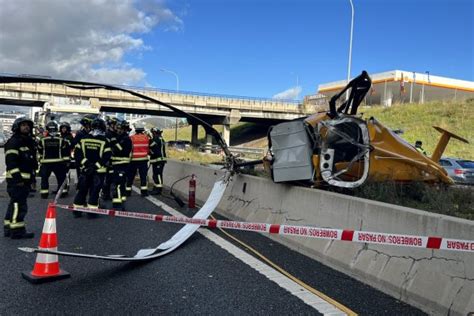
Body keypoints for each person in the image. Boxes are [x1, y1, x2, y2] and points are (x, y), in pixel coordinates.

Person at [4, 116, 37, 239]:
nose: (26, 127)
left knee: (13, 204)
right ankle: (17, 231)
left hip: (24, 180)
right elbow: (11, 163)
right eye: (23, 125)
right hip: (17, 181)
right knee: (19, 206)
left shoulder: (27, 142)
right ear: (17, 127)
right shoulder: (14, 142)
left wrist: (32, 179)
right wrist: (18, 180)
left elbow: (31, 163)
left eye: (28, 125)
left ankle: (8, 228)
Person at [72, 118, 111, 217]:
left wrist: (87, 165)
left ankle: (77, 211)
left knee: (82, 190)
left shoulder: (83, 139)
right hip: (99, 172)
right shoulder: (105, 141)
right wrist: (95, 166)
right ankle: (92, 213)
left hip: (85, 171)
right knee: (94, 192)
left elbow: (77, 154)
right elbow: (106, 157)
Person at [37, 121, 69, 199]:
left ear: (47, 129)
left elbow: (40, 150)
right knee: (61, 178)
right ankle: (63, 193)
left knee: (44, 179)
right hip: (59, 163)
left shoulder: (42, 140)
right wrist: (67, 162)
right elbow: (65, 152)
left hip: (46, 163)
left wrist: (41, 159)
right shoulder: (61, 140)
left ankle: (44, 194)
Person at [110, 119, 132, 209]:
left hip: (121, 164)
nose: (117, 130)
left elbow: (117, 150)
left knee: (118, 183)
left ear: (123, 129)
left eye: (119, 128)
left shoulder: (125, 139)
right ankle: (122, 201)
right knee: (121, 184)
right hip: (118, 164)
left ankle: (117, 203)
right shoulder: (121, 137)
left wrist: (114, 142)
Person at [126, 123, 150, 197]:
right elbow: (148, 149)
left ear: (135, 130)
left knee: (130, 176)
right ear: (143, 130)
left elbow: (129, 149)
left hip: (133, 160)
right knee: (143, 176)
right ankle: (144, 192)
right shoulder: (146, 138)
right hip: (143, 160)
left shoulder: (131, 138)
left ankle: (128, 192)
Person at [72, 114, 96, 185]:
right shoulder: (80, 134)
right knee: (81, 175)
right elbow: (75, 145)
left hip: (91, 157)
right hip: (81, 158)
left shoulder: (94, 134)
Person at [101, 116, 119, 201]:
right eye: (116, 125)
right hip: (109, 160)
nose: (117, 127)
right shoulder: (108, 134)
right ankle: (105, 194)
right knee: (108, 178)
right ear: (111, 125)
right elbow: (110, 148)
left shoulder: (114, 134)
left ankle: (107, 194)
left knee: (111, 178)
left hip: (113, 160)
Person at [149, 127, 167, 195]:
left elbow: (151, 146)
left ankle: (158, 189)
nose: (152, 134)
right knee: (155, 175)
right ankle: (155, 188)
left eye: (152, 133)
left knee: (158, 175)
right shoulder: (161, 138)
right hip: (159, 160)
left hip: (158, 160)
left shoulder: (156, 139)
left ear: (154, 132)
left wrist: (149, 139)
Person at [60, 121, 74, 194]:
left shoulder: (69, 136)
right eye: (62, 128)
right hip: (59, 158)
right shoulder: (60, 136)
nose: (63, 129)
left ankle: (66, 188)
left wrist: (66, 142)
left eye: (65, 128)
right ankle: (60, 188)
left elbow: (72, 146)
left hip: (66, 158)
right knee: (61, 175)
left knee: (66, 174)